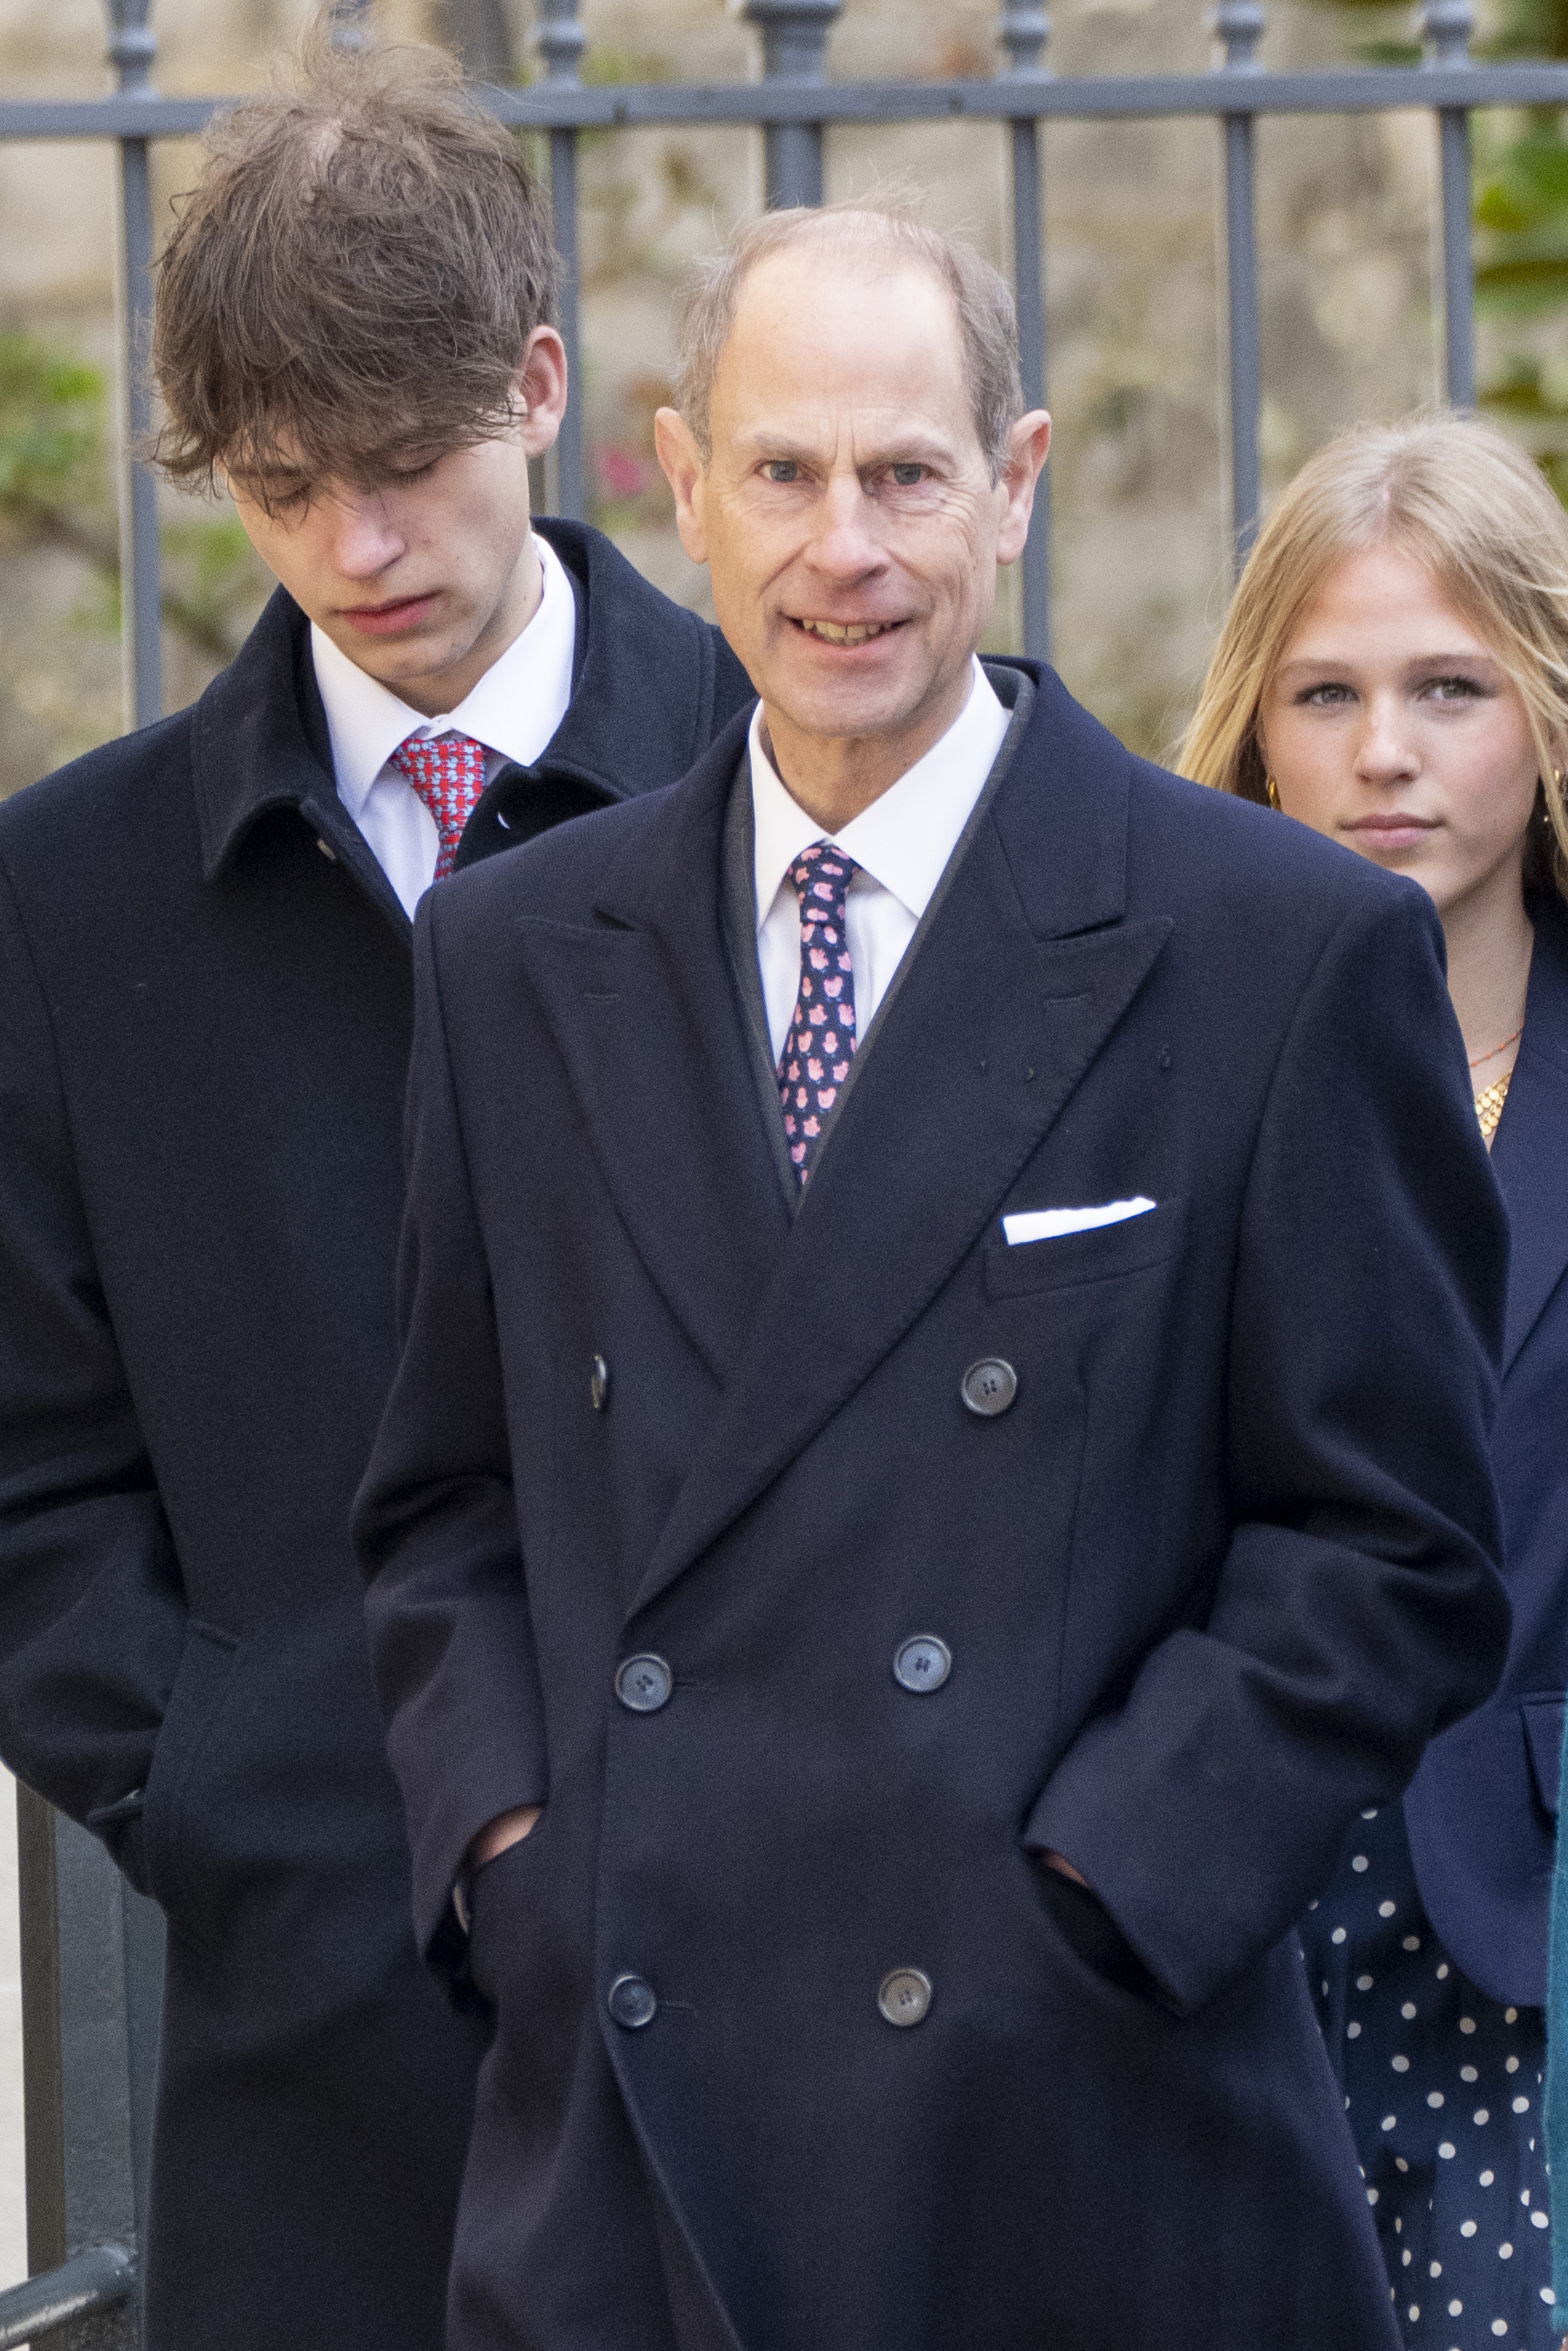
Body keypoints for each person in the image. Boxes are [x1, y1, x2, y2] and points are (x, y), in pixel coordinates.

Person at [354, 202, 1511, 2351]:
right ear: (680, 485)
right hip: (628, 2139)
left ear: (1018, 481)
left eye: (906, 473)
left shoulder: (1276, 948)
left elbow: (1392, 1545)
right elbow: (443, 1504)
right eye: (784, 473)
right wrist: (519, 1856)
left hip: (1081, 2144)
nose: (845, 549)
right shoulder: (512, 956)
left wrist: (1099, 1891)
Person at [0, 39, 752, 2351]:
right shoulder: (65, 900)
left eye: (407, 467)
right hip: (311, 2044)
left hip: (798, 1997)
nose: (354, 553)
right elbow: (27, 1473)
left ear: (539, 384)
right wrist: (240, 1790)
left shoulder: (798, 794)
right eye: (281, 489)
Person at [1181, 409, 1568, 2351]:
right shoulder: (1149, 1059)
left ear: (1547, 712)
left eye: (1450, 688)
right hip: (1222, 1926)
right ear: (1258, 725)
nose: (1384, 750)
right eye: (1326, 692)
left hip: (1536, 1952)